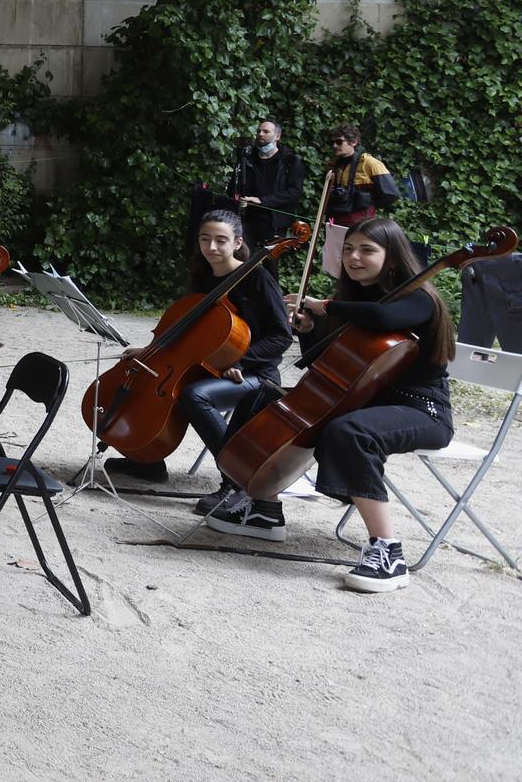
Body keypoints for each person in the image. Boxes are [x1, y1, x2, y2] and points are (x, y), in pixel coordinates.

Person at [208, 217, 456, 593]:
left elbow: (384, 317)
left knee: (350, 431)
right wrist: (310, 332)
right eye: (349, 249)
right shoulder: (357, 300)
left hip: (421, 409)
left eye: (367, 250)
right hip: (363, 399)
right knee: (262, 394)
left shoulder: (417, 299)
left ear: (392, 258)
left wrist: (326, 305)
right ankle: (264, 507)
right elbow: (329, 363)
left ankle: (388, 552)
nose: (354, 257)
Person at [101, 208, 292, 489]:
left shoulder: (258, 279)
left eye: (221, 240)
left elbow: (281, 337)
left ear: (237, 243)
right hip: (207, 366)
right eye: (205, 239)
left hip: (255, 374)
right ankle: (146, 460)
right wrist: (151, 351)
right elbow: (189, 332)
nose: (211, 247)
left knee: (194, 395)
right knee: (145, 383)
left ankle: (236, 479)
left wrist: (240, 362)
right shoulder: (202, 276)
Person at [229, 119, 305, 245]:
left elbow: (294, 192)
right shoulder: (246, 159)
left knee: (271, 262)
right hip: (248, 218)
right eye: (259, 131)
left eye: (266, 131)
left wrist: (262, 201)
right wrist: (240, 199)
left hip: (274, 222)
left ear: (277, 136)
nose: (260, 134)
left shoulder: (290, 161)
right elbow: (233, 187)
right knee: (244, 259)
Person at [324, 123, 396, 227]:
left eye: (339, 142)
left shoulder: (369, 163)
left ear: (354, 142)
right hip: (334, 221)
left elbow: (392, 193)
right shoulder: (332, 164)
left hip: (359, 225)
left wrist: (369, 204)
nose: (334, 145)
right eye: (332, 142)